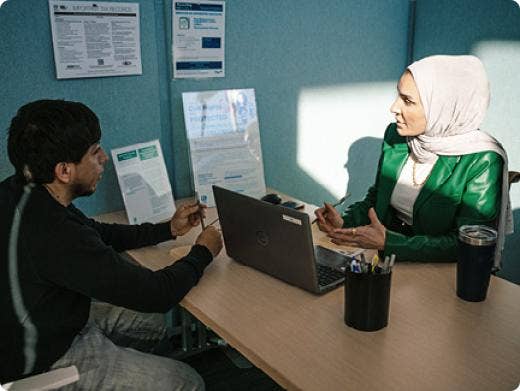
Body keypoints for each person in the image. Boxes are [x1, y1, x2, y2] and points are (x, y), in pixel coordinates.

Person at [0, 99, 223, 389]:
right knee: (188, 382)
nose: (103, 158)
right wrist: (203, 251)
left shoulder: (23, 190)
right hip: (42, 360)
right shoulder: (56, 235)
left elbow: (97, 232)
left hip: (49, 319)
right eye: (94, 152)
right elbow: (157, 293)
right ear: (64, 171)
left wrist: (167, 229)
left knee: (152, 325)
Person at [315, 55, 512, 267]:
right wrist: (345, 223)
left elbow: (465, 243)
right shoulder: (397, 135)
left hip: (441, 271)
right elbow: (378, 196)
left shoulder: (483, 159)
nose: (394, 108)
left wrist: (392, 243)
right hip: (388, 259)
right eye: (398, 96)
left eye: (407, 101)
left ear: (443, 107)